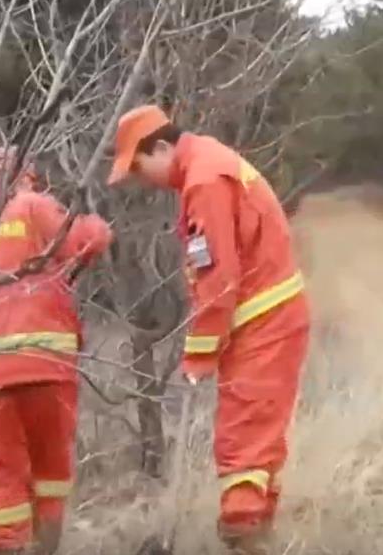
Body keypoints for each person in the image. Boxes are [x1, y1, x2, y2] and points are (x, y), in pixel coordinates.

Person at [107, 105, 311, 554]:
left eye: (141, 169)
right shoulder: (209, 164)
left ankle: (244, 534)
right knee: (259, 440)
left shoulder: (204, 179)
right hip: (268, 317)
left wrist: (200, 353)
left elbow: (217, 278)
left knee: (243, 442)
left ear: (162, 146)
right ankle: (258, 534)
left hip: (263, 319)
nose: (144, 181)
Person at [0, 149, 112, 555]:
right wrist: (93, 222)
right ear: (27, 177)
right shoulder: (33, 206)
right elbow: (90, 240)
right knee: (50, 466)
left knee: (2, 468)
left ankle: (5, 546)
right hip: (45, 362)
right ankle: (46, 545)